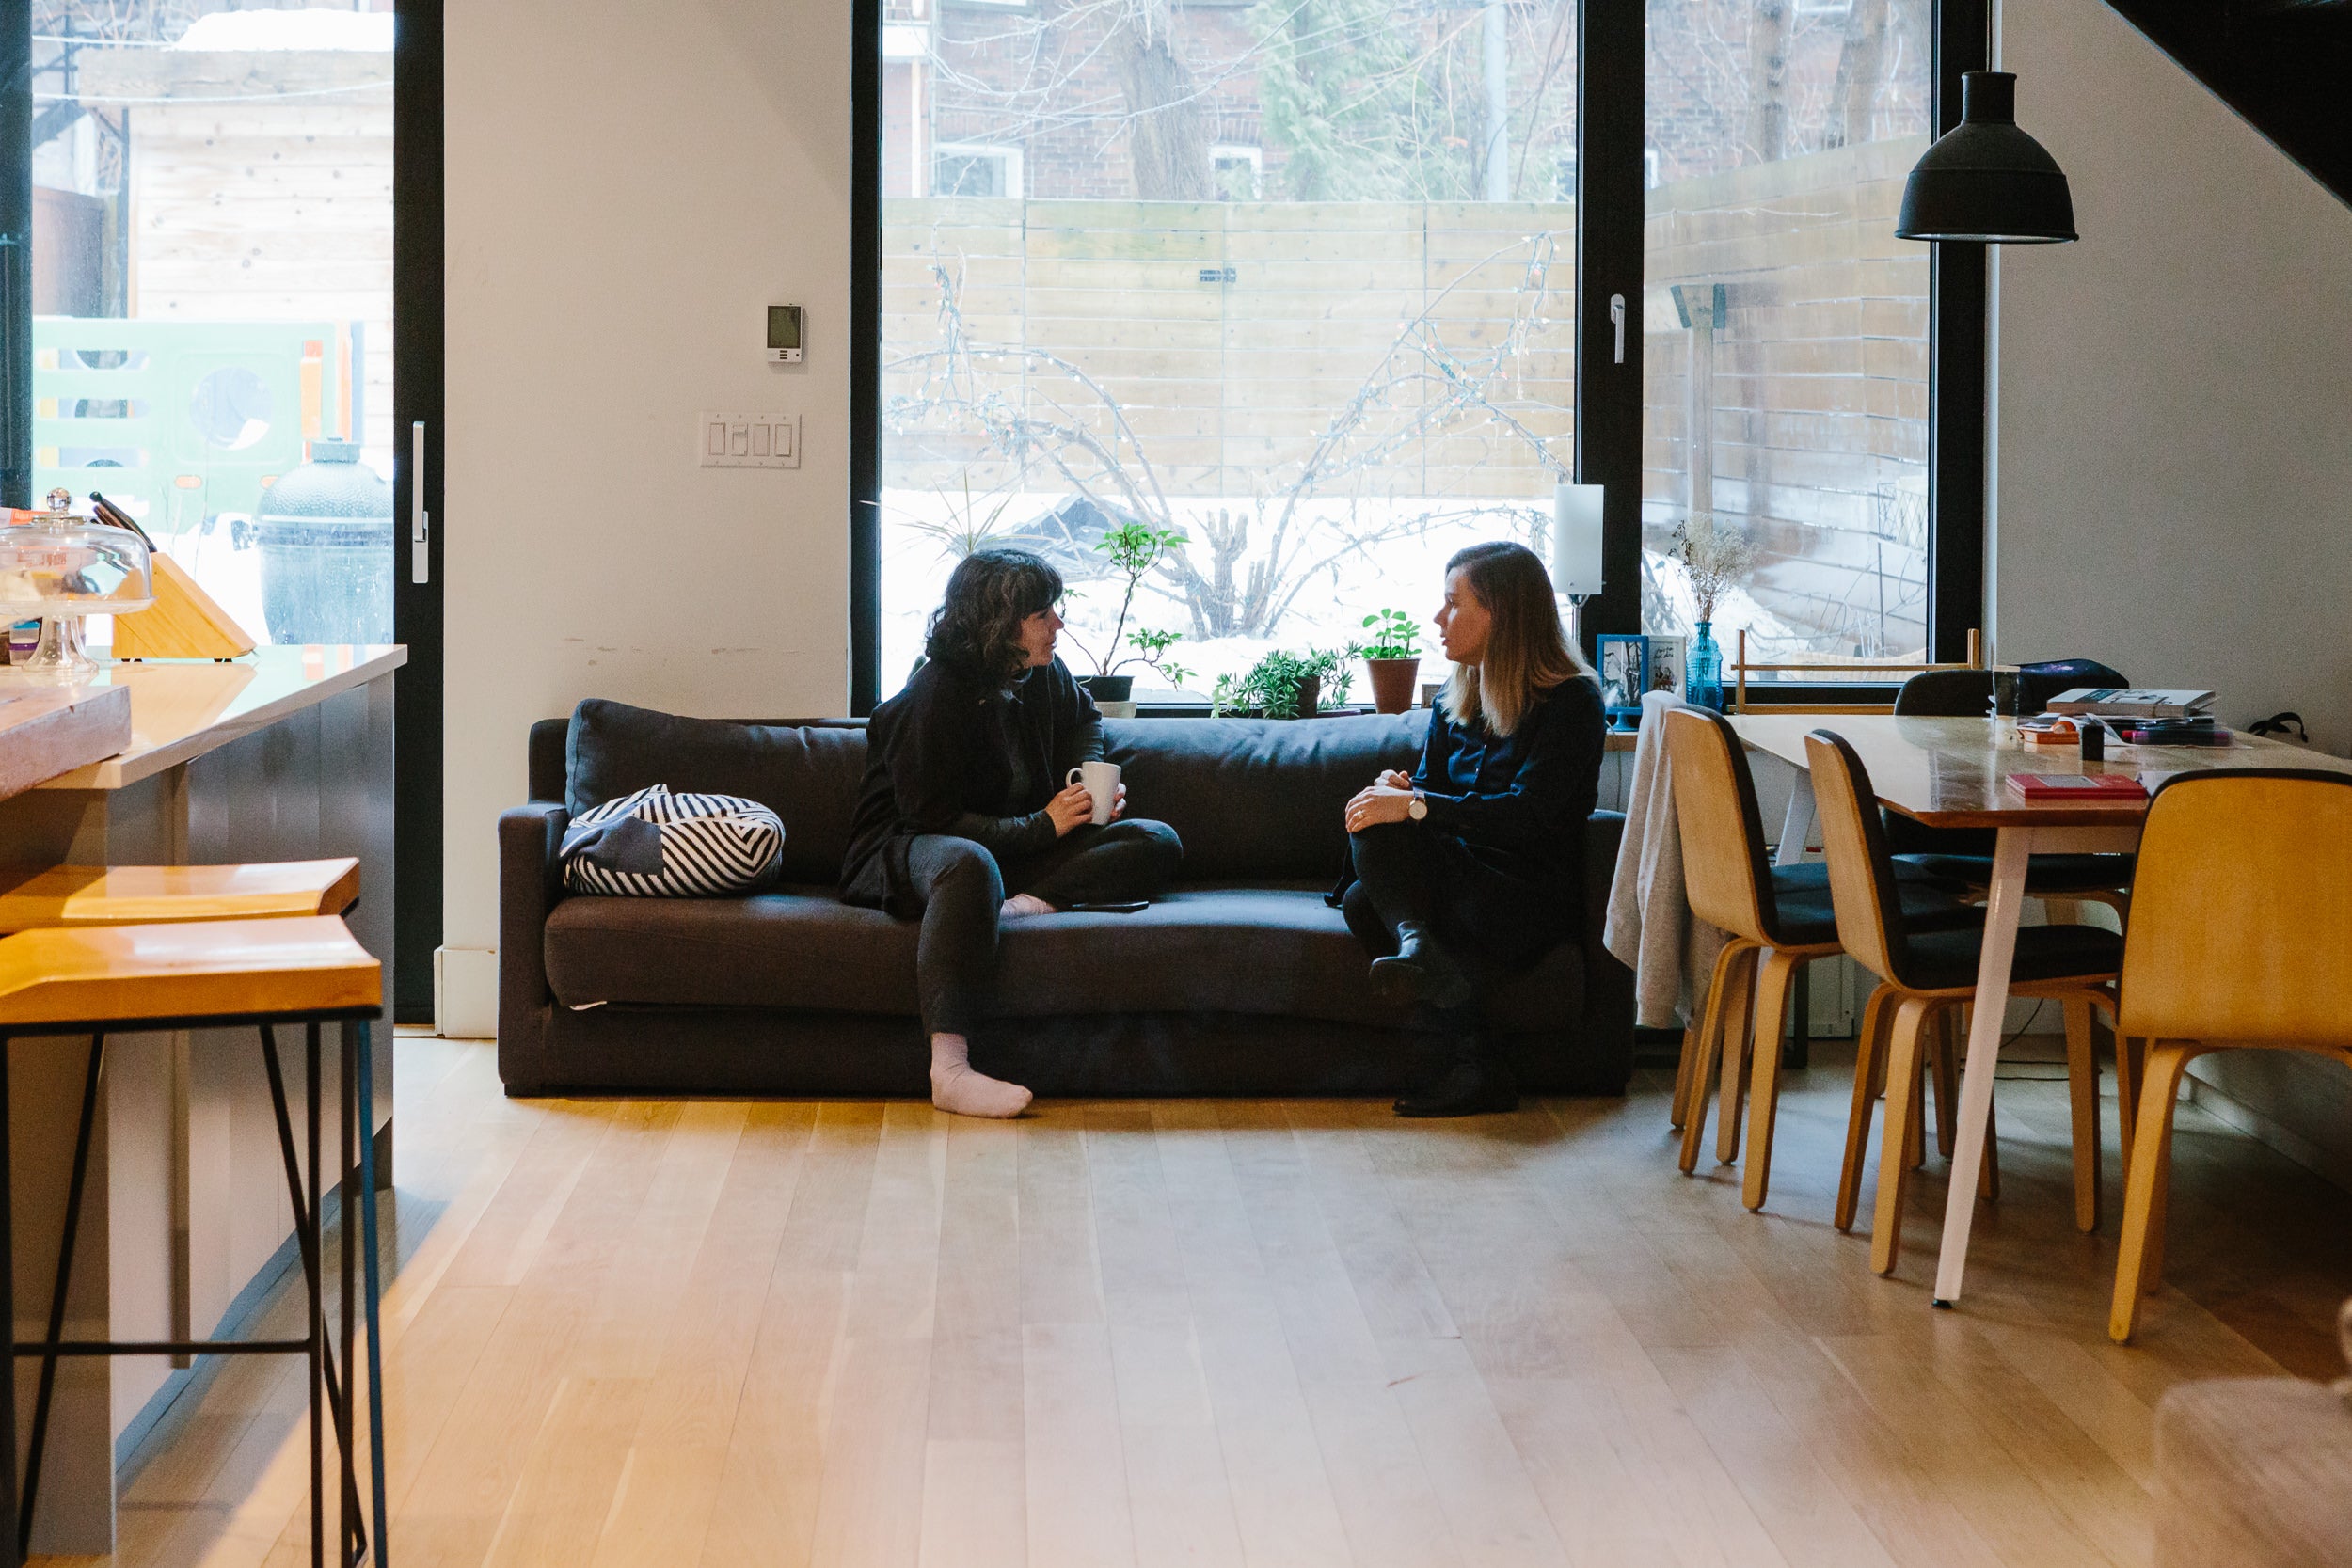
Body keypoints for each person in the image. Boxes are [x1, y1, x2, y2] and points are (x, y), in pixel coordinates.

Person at [842, 547, 1184, 1118]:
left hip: (1011, 850)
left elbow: (1085, 719)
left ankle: (1018, 907)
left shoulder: (1040, 673)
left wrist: (1084, 784)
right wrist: (1042, 824)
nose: (1058, 624)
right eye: (1042, 614)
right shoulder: (933, 697)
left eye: (1054, 609)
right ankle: (949, 1071)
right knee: (969, 865)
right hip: (907, 850)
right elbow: (932, 820)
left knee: (1156, 840)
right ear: (999, 625)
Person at [1332, 540, 1605, 1117]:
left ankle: (1424, 958)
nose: (1438, 619)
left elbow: (1528, 816)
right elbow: (1432, 791)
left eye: (1453, 603)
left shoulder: (1572, 702)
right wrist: (1406, 793)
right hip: (1457, 875)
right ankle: (1475, 1057)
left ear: (1500, 613)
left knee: (1370, 882)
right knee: (1362, 894)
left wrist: (1415, 807)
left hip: (1521, 890)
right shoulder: (1453, 699)